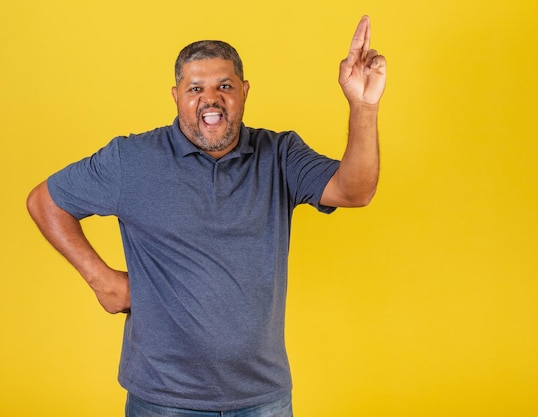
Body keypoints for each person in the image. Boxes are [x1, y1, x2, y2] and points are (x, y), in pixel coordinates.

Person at [27, 15, 386, 417]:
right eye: (196, 88)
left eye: (224, 86)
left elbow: (355, 191)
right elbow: (45, 200)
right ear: (176, 95)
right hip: (163, 399)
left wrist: (363, 104)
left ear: (244, 92)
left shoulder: (280, 155)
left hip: (261, 397)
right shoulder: (132, 160)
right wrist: (102, 280)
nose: (210, 98)